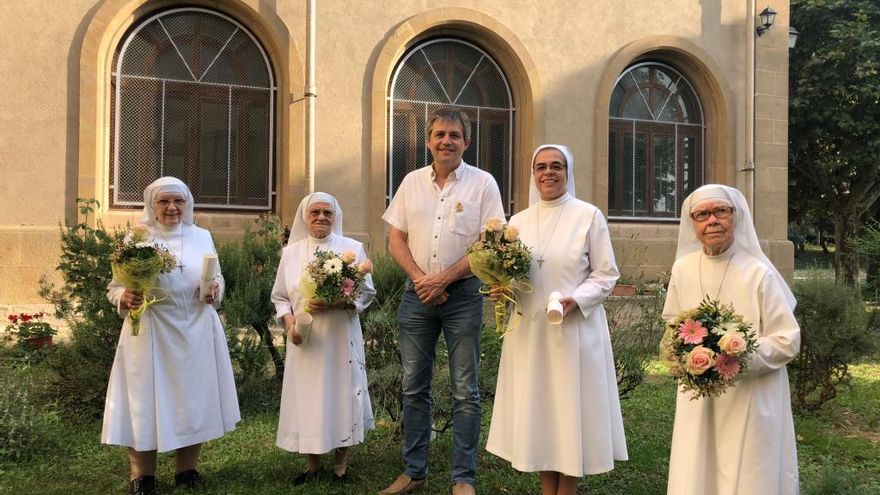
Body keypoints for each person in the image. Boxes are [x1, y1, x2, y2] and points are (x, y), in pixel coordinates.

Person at [485, 144, 628, 495]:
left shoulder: (588, 216)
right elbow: (513, 276)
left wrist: (575, 301)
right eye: (541, 167)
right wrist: (503, 289)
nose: (548, 172)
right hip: (530, 335)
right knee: (543, 413)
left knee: (569, 411)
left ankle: (568, 490)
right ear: (533, 174)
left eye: (556, 166)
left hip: (574, 331)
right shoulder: (516, 223)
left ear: (568, 171)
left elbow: (606, 274)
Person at [380, 108, 505, 495]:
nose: (446, 141)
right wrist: (422, 280)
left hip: (464, 297)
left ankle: (462, 478)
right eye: (439, 134)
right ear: (428, 140)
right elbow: (395, 239)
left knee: (464, 390)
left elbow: (490, 243)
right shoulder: (411, 182)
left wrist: (445, 278)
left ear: (466, 142)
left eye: (454, 135)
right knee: (414, 387)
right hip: (417, 298)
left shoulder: (483, 184)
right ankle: (414, 471)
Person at [102, 177, 240, 495]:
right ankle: (142, 475)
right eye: (164, 201)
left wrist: (215, 291)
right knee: (143, 399)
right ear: (152, 205)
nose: (171, 207)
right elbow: (114, 288)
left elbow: (216, 277)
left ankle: (187, 470)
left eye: (178, 201)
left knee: (192, 399)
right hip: (150, 331)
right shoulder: (137, 239)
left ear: (187, 204)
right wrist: (125, 297)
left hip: (196, 331)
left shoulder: (202, 237)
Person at [663, 184, 800, 495]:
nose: (712, 220)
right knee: (698, 470)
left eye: (720, 211)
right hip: (700, 396)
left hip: (752, 392)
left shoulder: (758, 273)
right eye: (702, 214)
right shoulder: (683, 268)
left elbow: (788, 339)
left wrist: (737, 357)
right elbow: (673, 325)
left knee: (749, 472)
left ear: (735, 217)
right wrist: (688, 356)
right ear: (692, 223)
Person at [270, 192, 376, 484]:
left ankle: (340, 465)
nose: (321, 218)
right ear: (305, 216)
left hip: (341, 336)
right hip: (306, 341)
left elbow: (367, 292)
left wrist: (337, 303)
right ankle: (312, 464)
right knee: (310, 397)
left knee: (342, 392)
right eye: (315, 212)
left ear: (336, 217)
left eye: (327, 213)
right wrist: (291, 323)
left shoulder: (352, 249)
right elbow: (280, 297)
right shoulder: (290, 254)